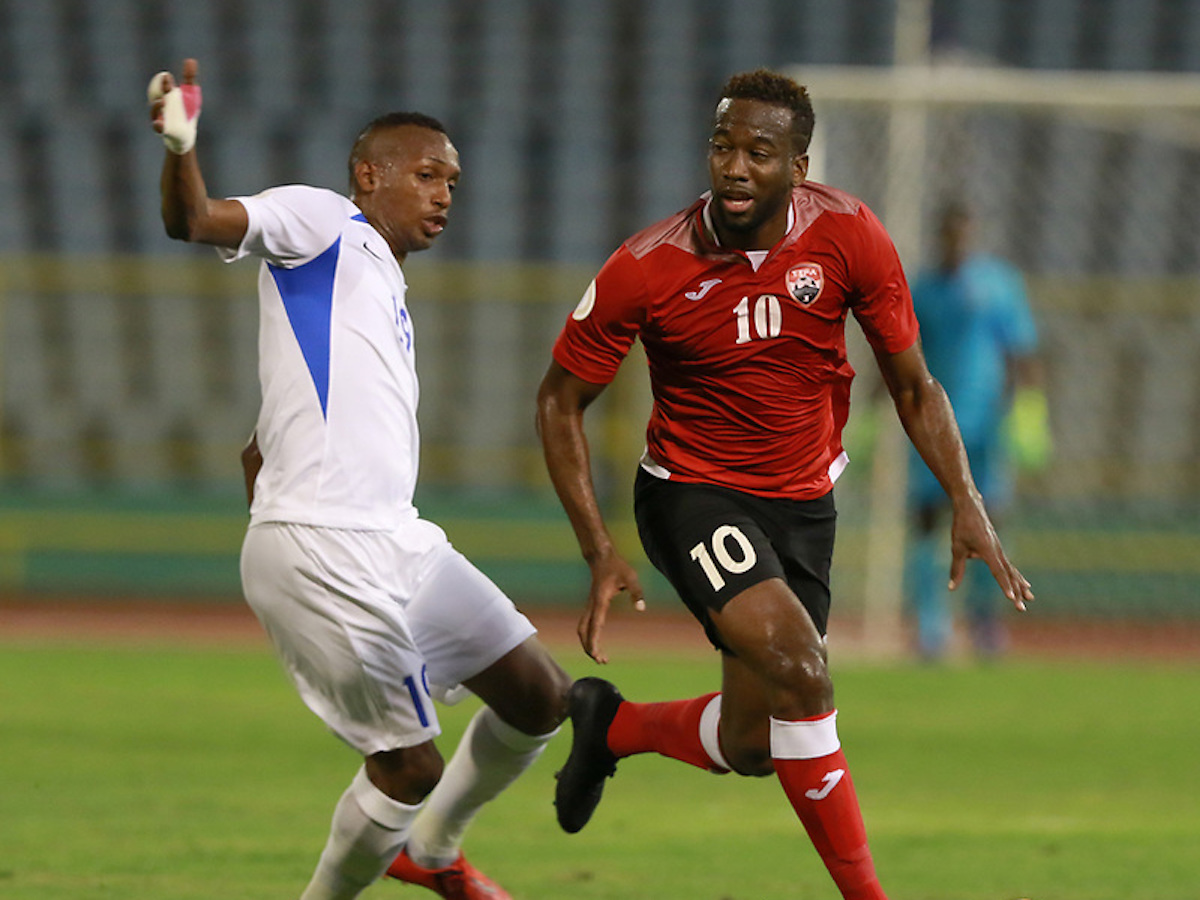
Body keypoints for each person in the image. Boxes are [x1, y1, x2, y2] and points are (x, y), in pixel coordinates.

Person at [535, 69, 1034, 900]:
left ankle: (609, 724)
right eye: (722, 147)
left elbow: (913, 385)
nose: (734, 167)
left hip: (804, 503)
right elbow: (559, 401)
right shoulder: (648, 265)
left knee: (757, 742)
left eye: (758, 152)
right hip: (691, 494)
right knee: (805, 671)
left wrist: (967, 501)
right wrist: (597, 546)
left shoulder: (849, 236)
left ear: (797, 167)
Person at [150, 59, 571, 900]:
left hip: (396, 539)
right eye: (426, 175)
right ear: (368, 175)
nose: (445, 195)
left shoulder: (379, 281)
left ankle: (438, 853)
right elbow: (192, 218)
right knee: (408, 764)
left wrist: (279, 483)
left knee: (539, 696)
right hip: (326, 543)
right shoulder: (323, 220)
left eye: (452, 180)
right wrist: (182, 144)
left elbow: (255, 450)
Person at [907, 202, 1046, 660]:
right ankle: (931, 626)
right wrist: (870, 415)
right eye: (949, 235)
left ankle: (987, 620)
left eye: (963, 235)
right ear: (940, 237)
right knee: (926, 520)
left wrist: (1028, 412)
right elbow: (903, 354)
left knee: (992, 520)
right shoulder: (923, 289)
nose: (957, 243)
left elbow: (1021, 353)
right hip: (936, 427)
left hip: (988, 424)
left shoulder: (999, 284)